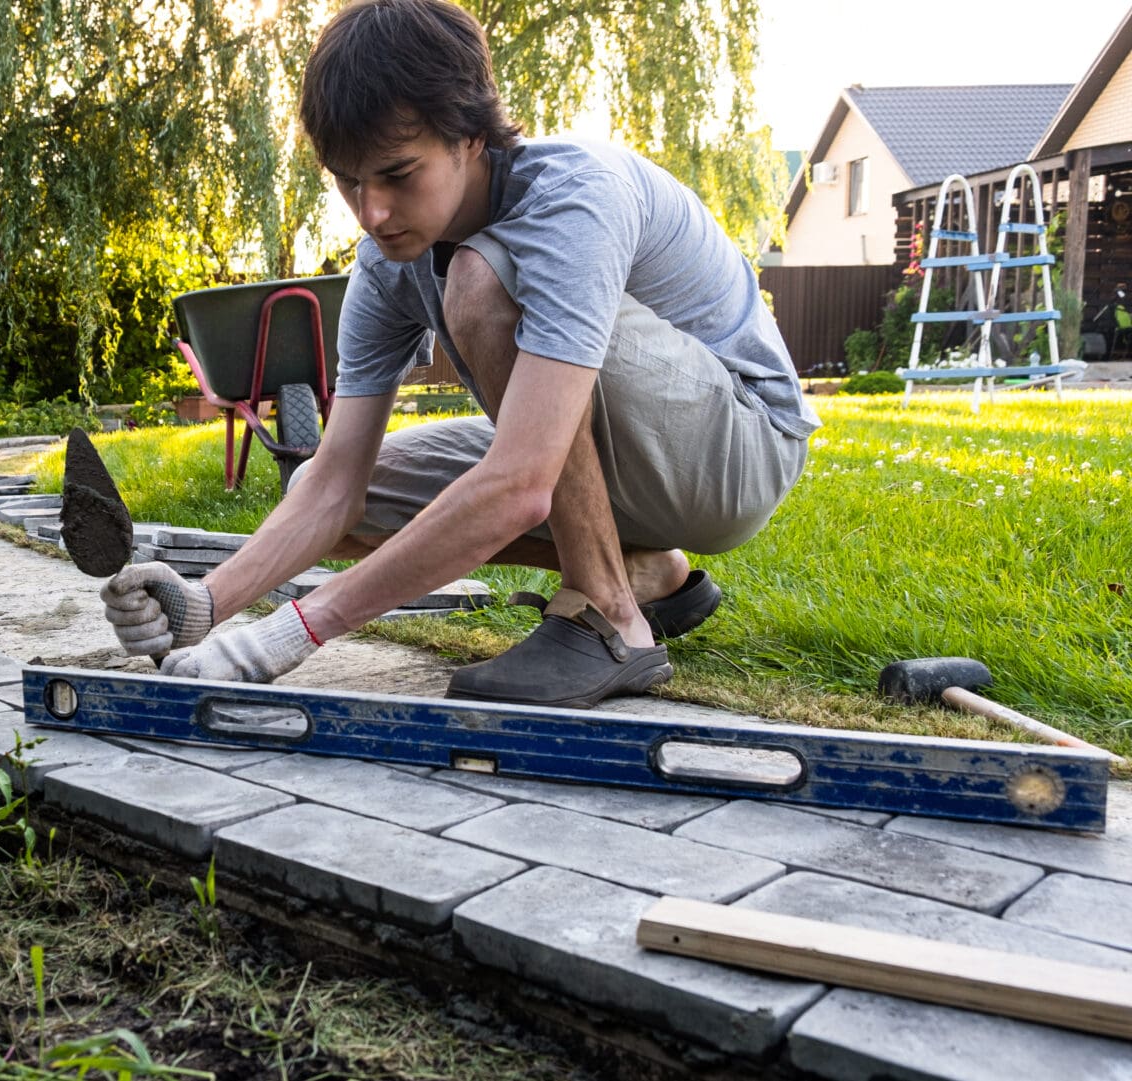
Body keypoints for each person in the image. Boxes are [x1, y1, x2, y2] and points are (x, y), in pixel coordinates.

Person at [100, 0, 818, 709]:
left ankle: (606, 614)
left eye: (397, 174)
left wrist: (285, 636)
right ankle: (641, 572)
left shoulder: (571, 200)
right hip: (629, 457)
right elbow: (336, 486)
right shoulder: (384, 264)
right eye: (349, 180)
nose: (372, 212)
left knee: (479, 280)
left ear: (471, 135)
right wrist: (207, 603)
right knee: (316, 486)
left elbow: (521, 484)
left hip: (738, 449)